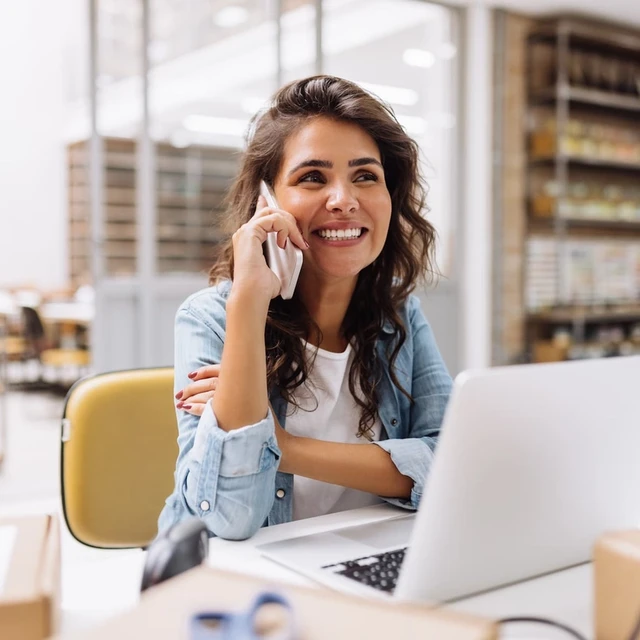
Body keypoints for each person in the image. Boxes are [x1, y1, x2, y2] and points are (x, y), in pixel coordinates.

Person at [158, 75, 452, 540]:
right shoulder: (212, 318)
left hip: (361, 560)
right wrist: (249, 302)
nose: (344, 200)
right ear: (266, 202)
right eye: (313, 177)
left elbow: (451, 466)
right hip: (243, 582)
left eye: (365, 176)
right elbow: (229, 520)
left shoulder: (399, 315)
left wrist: (284, 446)